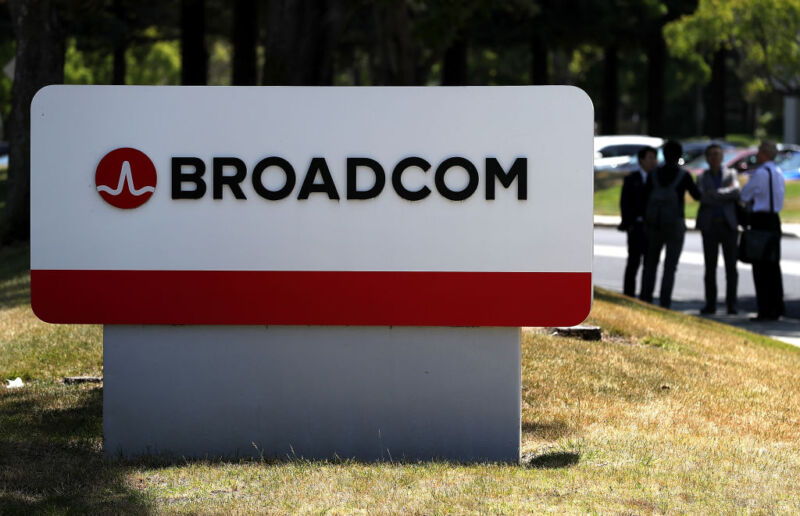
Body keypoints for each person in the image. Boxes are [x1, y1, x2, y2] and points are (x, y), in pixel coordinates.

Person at [640, 140, 701, 309]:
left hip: (653, 224)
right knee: (670, 266)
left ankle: (645, 298)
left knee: (650, 264)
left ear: (663, 155)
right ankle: (664, 302)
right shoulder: (683, 175)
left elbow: (644, 198)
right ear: (679, 155)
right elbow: (697, 196)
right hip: (675, 224)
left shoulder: (653, 174)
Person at [741, 140, 786, 321]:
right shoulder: (778, 172)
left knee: (760, 268)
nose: (757, 155)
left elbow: (745, 195)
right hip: (774, 220)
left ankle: (765, 309)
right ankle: (776, 307)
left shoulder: (760, 173)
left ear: (765, 153)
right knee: (773, 266)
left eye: (759, 152)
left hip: (761, 220)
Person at [696, 144, 741, 314]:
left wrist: (713, 194)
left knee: (731, 268)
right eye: (711, 155)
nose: (714, 157)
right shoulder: (702, 177)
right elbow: (702, 197)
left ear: (722, 157)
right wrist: (724, 194)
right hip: (710, 225)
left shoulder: (731, 173)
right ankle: (710, 304)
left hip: (728, 225)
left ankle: (732, 305)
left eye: (717, 154)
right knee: (710, 267)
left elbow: (736, 192)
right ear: (707, 158)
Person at [618, 146, 657, 297]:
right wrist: (628, 224)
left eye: (655, 158)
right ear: (641, 160)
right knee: (633, 261)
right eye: (650, 158)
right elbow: (625, 203)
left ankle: (646, 296)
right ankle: (628, 295)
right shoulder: (631, 179)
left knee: (650, 263)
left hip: (652, 227)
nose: (653, 161)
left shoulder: (657, 179)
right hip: (636, 226)